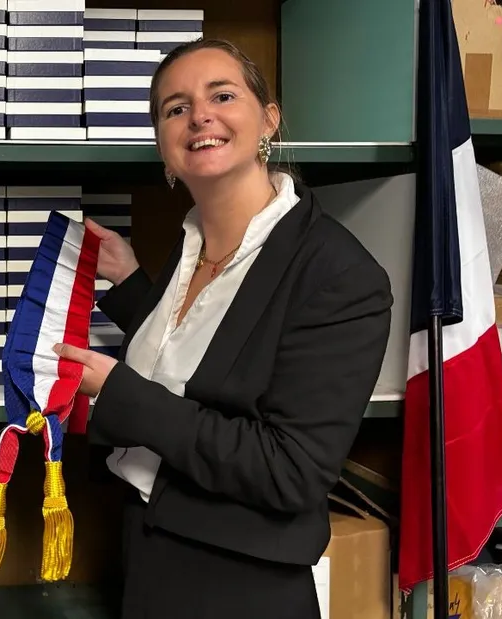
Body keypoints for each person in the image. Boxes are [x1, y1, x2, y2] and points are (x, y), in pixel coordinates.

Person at [52, 39, 394, 618]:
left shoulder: (339, 275)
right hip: (145, 544)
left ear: (269, 118)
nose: (200, 116)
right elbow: (216, 357)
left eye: (223, 95)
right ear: (164, 147)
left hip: (239, 579)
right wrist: (133, 283)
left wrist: (120, 395)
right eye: (175, 108)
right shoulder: (189, 247)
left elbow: (289, 470)